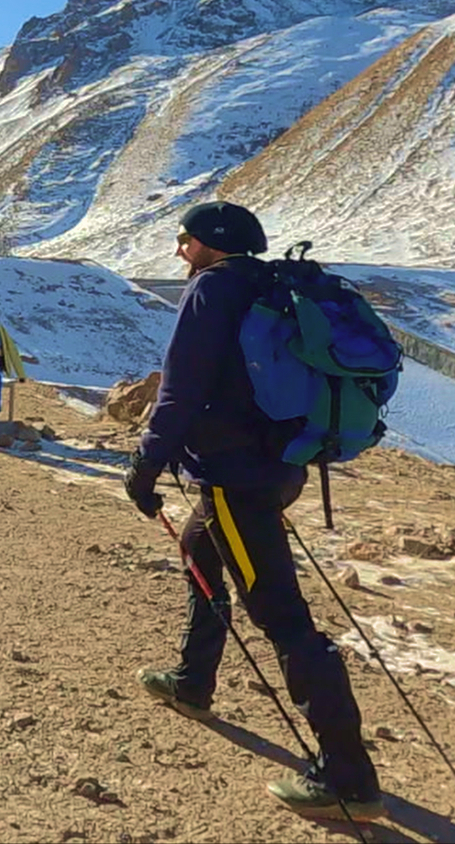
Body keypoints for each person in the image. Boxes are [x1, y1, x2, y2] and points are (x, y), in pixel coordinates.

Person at [121, 201, 384, 823]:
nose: (179, 251)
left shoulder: (212, 291)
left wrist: (145, 466)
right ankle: (192, 681)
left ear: (209, 244)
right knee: (198, 550)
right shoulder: (268, 284)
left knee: (283, 619)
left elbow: (180, 390)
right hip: (282, 464)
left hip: (235, 481)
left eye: (184, 241)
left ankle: (348, 777)